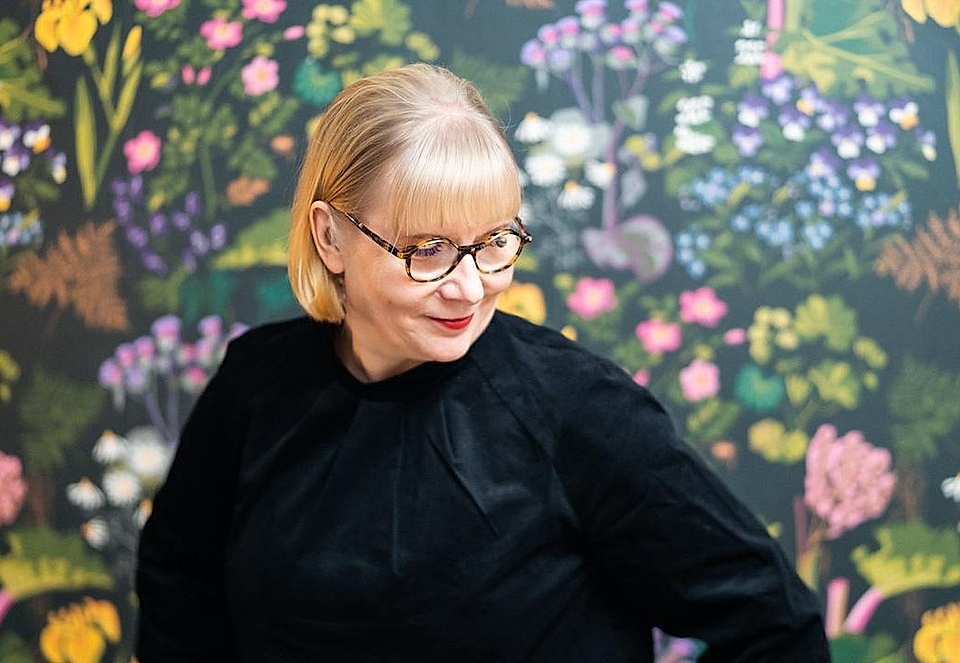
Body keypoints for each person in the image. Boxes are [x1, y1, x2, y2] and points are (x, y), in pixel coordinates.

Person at [135, 63, 831, 662]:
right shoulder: (256, 384)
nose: (470, 286)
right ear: (331, 236)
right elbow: (179, 585)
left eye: (494, 241)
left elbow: (777, 625)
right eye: (427, 250)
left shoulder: (580, 410)